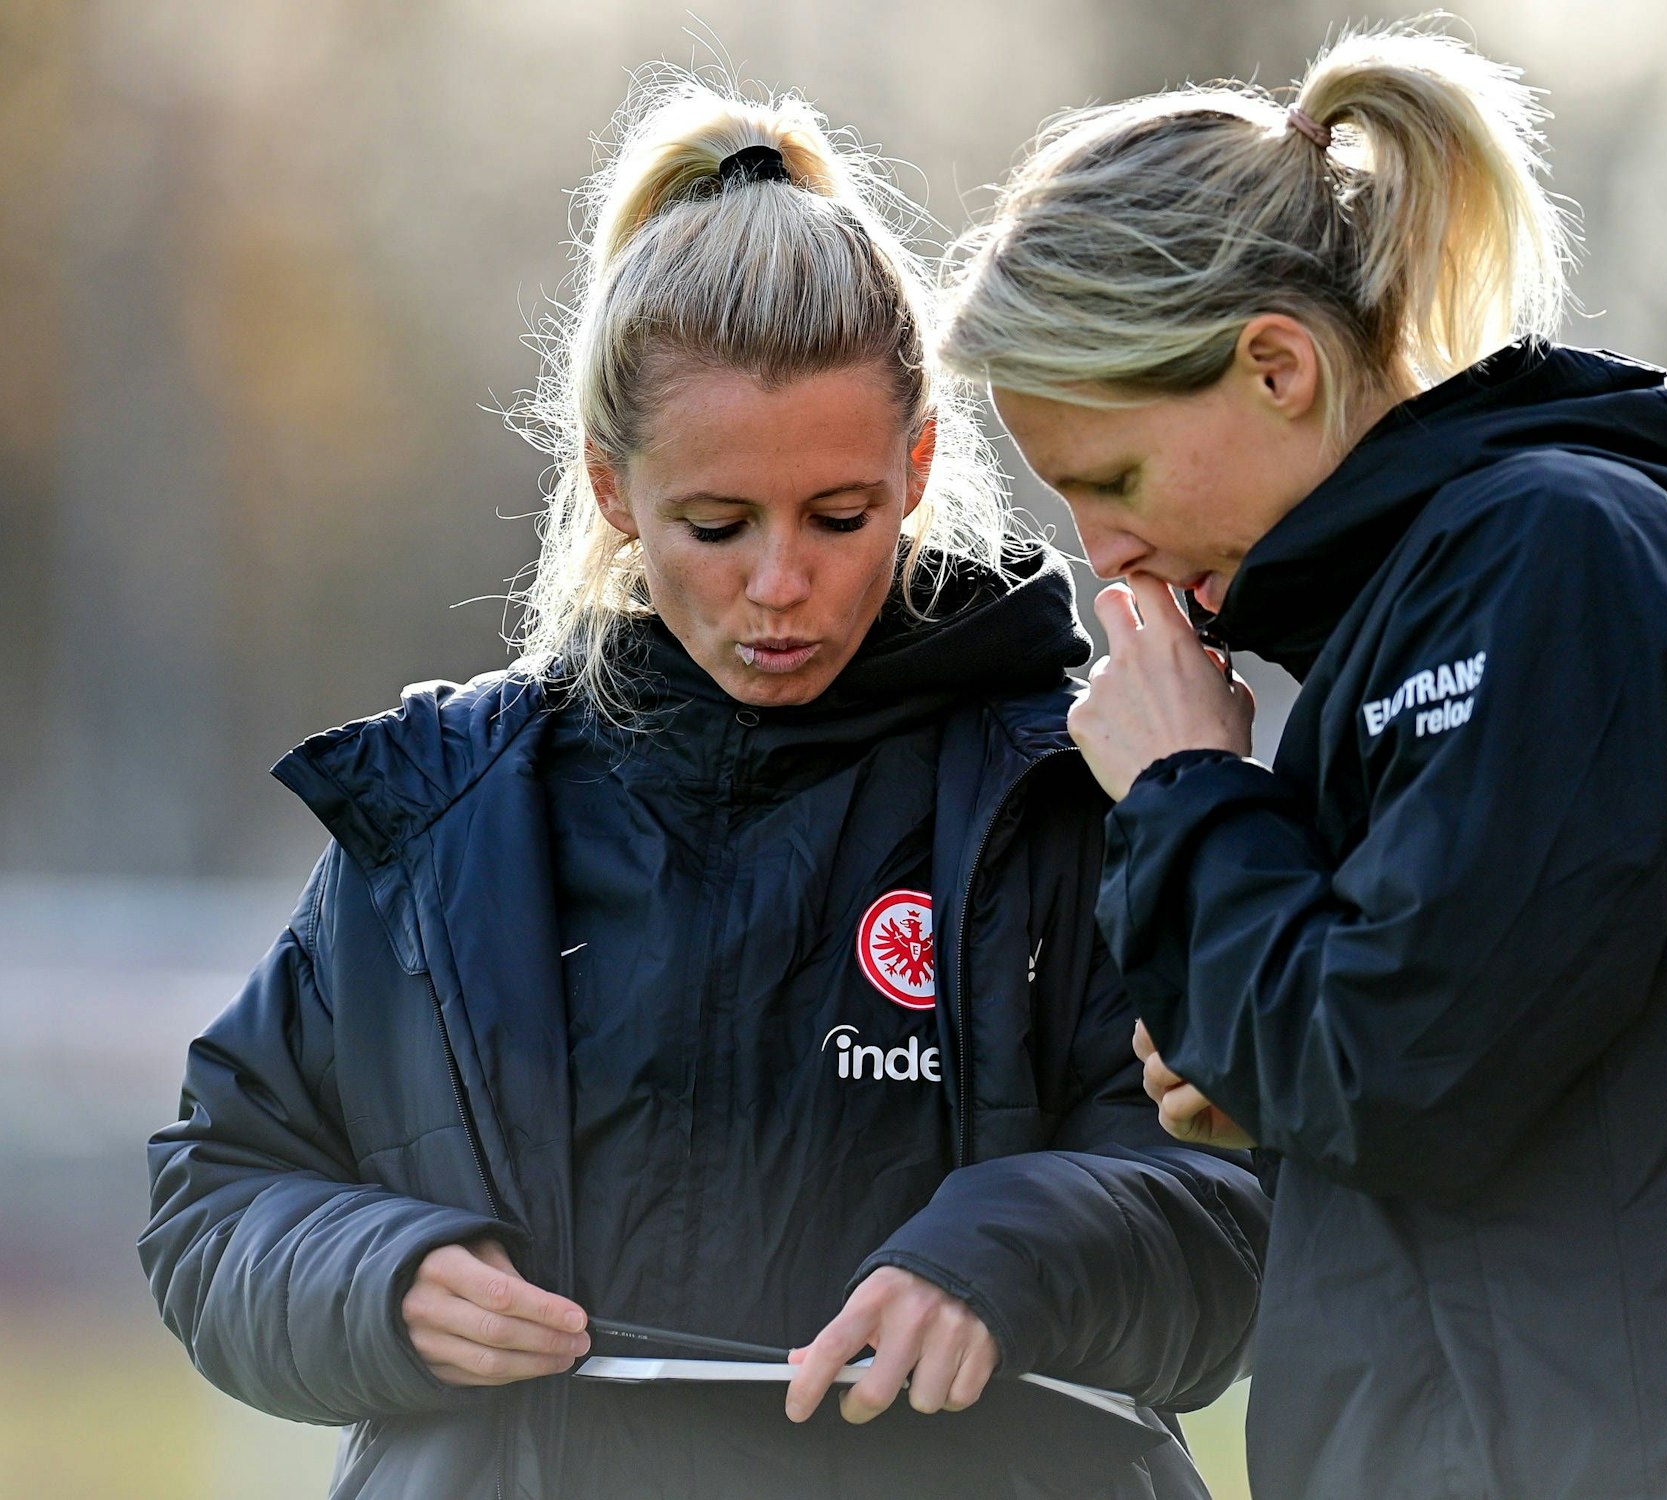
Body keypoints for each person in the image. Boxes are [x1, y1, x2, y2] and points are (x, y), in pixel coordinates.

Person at [138, 72, 1266, 1500]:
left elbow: (1240, 1213)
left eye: (839, 517)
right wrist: (376, 1280)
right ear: (615, 492)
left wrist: (1008, 1256)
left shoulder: (1081, 796)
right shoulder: (438, 820)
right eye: (718, 525)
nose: (780, 584)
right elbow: (215, 1197)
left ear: (917, 467)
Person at [937, 22, 1667, 1500]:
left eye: (1111, 479)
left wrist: (1186, 789)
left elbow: (1404, 1068)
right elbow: (1470, 1071)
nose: (1103, 550)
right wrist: (1256, 1080)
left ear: (1277, 365)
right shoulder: (1433, 608)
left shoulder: (1549, 560)